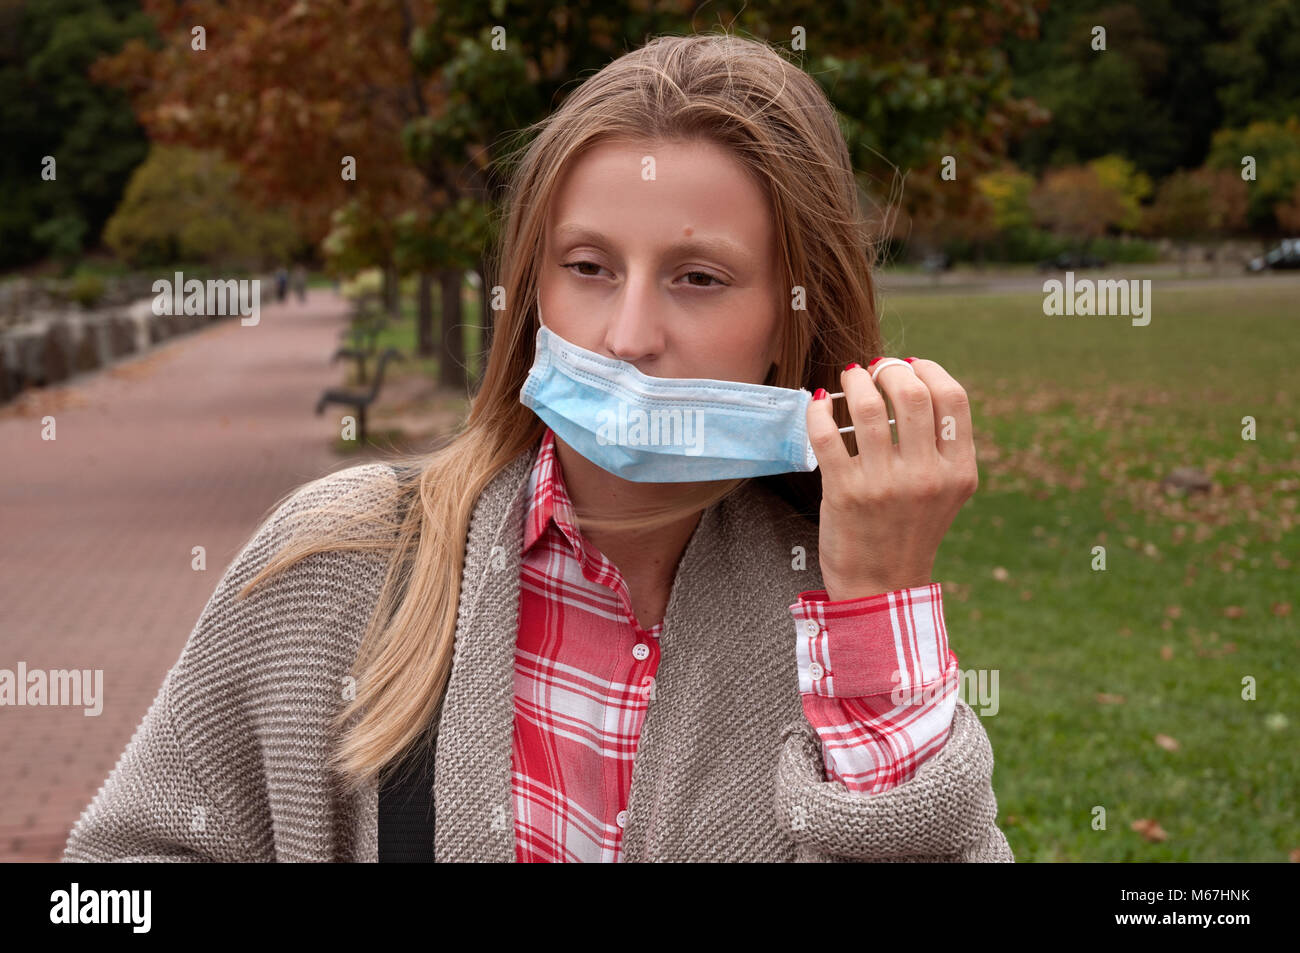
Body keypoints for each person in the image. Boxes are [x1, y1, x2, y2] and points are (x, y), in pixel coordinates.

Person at [62, 32, 1010, 863]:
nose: (628, 334)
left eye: (699, 276)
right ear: (533, 289)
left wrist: (879, 615)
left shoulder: (832, 618)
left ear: (791, 322)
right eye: (589, 268)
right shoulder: (338, 559)